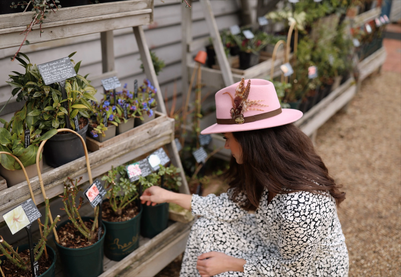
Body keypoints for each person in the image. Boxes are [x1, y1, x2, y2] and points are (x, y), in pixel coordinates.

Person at [141, 78, 349, 277]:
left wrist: (229, 263)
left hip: (309, 271)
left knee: (222, 264)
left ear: (250, 141)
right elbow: (230, 206)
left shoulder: (300, 205)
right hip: (274, 245)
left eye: (227, 138)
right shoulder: (269, 172)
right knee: (206, 226)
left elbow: (293, 270)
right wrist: (168, 196)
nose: (226, 146)